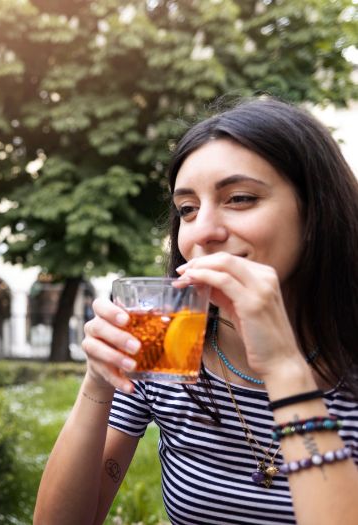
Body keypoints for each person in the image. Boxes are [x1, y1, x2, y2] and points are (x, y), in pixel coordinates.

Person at [34, 98, 358, 525]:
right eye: (187, 209)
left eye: (240, 198)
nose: (202, 232)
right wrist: (98, 382)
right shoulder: (167, 346)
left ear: (316, 209)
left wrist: (284, 369)